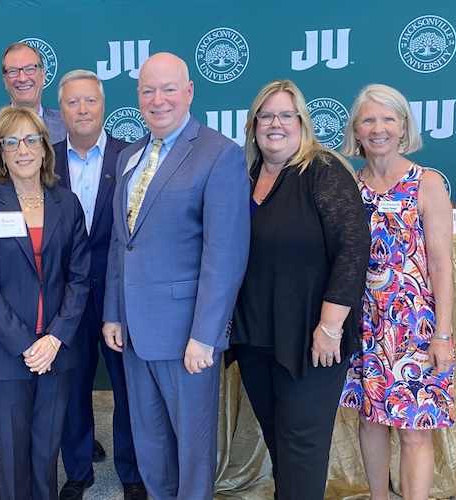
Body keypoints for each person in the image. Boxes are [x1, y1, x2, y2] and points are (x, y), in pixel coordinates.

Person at [102, 52, 250, 500]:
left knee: (191, 447)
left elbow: (224, 256)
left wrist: (205, 336)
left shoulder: (219, 154)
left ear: (189, 93)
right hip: (133, 330)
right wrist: (113, 312)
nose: (158, 99)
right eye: (148, 90)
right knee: (149, 442)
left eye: (168, 89)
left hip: (187, 336)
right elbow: (119, 241)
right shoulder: (130, 156)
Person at [231, 80, 370, 499]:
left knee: (302, 449)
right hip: (255, 337)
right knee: (280, 444)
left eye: (285, 115)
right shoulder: (245, 175)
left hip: (312, 338)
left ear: (301, 123)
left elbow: (353, 247)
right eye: (266, 116)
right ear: (254, 125)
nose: (275, 124)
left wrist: (330, 326)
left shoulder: (322, 170)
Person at [0, 107, 90, 500]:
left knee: (45, 451)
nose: (23, 149)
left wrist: (53, 339)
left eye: (31, 139)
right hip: (6, 354)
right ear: (0, 152)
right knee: (13, 453)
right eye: (11, 141)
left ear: (44, 148)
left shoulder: (66, 204)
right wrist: (25, 344)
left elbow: (80, 278)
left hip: (55, 353)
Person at [339, 83, 456, 500]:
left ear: (403, 126)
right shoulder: (350, 186)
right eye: (368, 119)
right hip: (365, 324)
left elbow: (442, 266)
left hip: (415, 328)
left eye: (388, 118)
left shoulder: (427, 183)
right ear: (356, 127)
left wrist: (442, 336)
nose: (378, 128)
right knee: (370, 421)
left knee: (412, 432)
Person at [51, 70, 145, 500]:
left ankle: (132, 473)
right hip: (65, 297)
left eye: (90, 101)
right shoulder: (44, 159)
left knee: (128, 387)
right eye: (73, 102)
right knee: (72, 386)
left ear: (103, 105)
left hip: (118, 295)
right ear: (62, 109)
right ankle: (78, 471)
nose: (82, 110)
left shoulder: (134, 158)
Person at [0, 42, 66, 161]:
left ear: (43, 76)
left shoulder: (65, 124)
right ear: (5, 81)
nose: (22, 78)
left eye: (30, 69)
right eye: (13, 71)